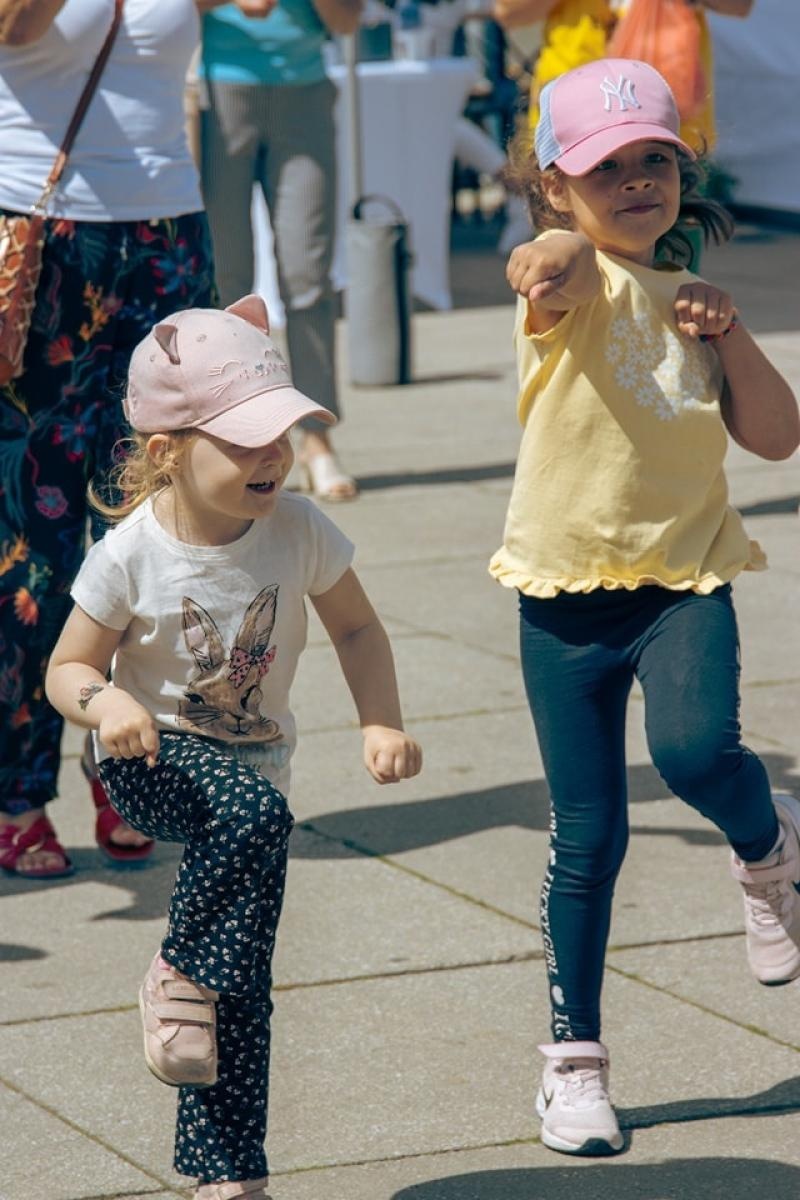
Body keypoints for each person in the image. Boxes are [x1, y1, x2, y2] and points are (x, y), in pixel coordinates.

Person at [44, 294, 422, 1199]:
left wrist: (382, 719)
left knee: (240, 988)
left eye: (281, 437)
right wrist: (105, 705)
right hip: (147, 760)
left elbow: (360, 631)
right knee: (246, 840)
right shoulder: (130, 553)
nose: (273, 457)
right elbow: (65, 668)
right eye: (245, 440)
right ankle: (175, 967)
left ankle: (228, 1172)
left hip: (253, 781)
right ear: (169, 451)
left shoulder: (299, 531)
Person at [491, 57, 800, 1157]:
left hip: (682, 579)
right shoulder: (561, 283)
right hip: (561, 592)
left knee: (692, 752)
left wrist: (726, 334)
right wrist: (548, 248)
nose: (634, 184)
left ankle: (766, 852)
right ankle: (572, 1067)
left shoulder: (693, 302)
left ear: (682, 171)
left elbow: (772, 436)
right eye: (604, 168)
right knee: (585, 839)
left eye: (653, 163)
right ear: (553, 187)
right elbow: (557, 260)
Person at [0, 0, 223, 877]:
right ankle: (19, 791)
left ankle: (123, 766)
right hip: (44, 240)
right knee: (32, 545)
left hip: (168, 237)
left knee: (158, 528)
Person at [199, 0, 363, 502]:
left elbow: (347, 21)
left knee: (308, 275)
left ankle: (316, 436)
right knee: (226, 283)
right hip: (216, 89)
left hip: (305, 90)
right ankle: (229, 435)